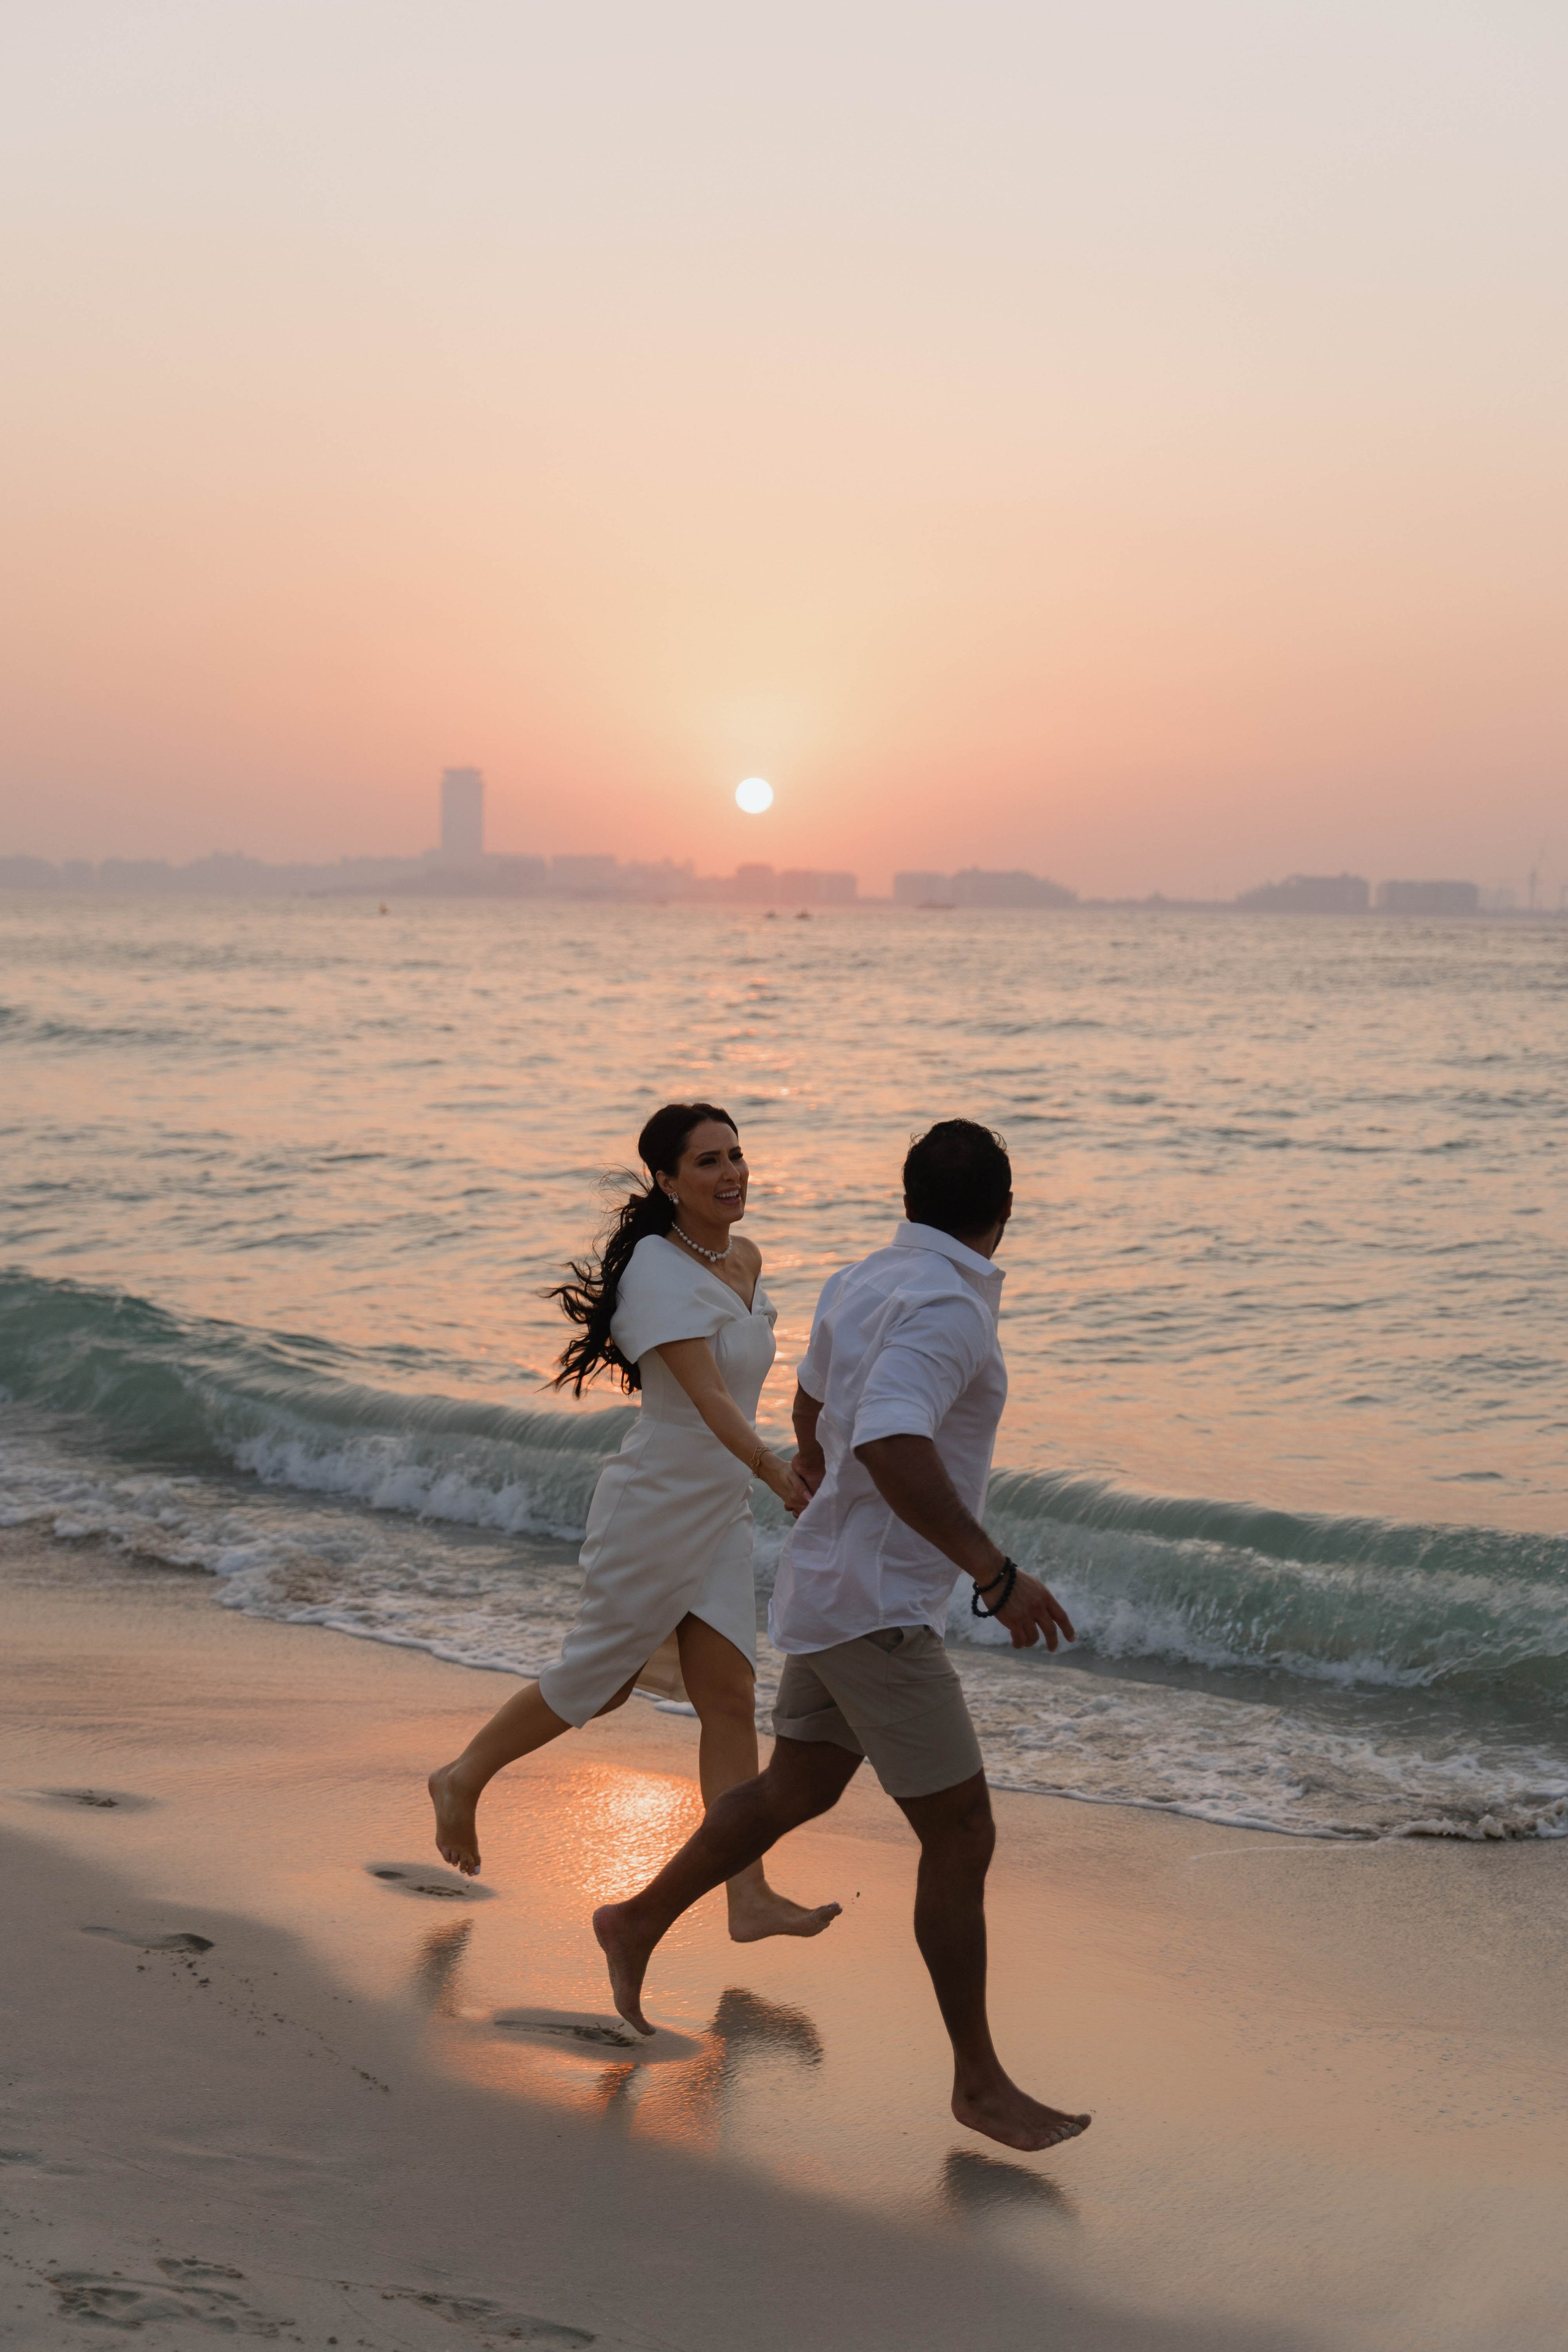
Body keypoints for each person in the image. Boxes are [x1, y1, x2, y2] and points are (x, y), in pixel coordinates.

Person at [592, 1119, 1091, 2154]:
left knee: (799, 1788)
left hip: (828, 1585)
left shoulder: (863, 1279)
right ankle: (979, 2082)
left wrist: (823, 1490)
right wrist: (993, 1575)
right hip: (873, 1611)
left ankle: (635, 1919)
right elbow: (894, 1438)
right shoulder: (951, 1308)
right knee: (961, 1834)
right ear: (1003, 1214)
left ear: (911, 1200)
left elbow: (816, 1400)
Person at [428, 1102, 840, 1945]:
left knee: (730, 1696)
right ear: (666, 1179)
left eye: (736, 1155)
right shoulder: (656, 1268)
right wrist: (774, 1473)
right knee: (599, 1680)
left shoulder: (746, 1258)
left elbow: (754, 1387)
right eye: (707, 1163)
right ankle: (462, 1778)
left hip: (718, 1507)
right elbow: (707, 1395)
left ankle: (747, 1894)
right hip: (656, 1504)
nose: (732, 1173)